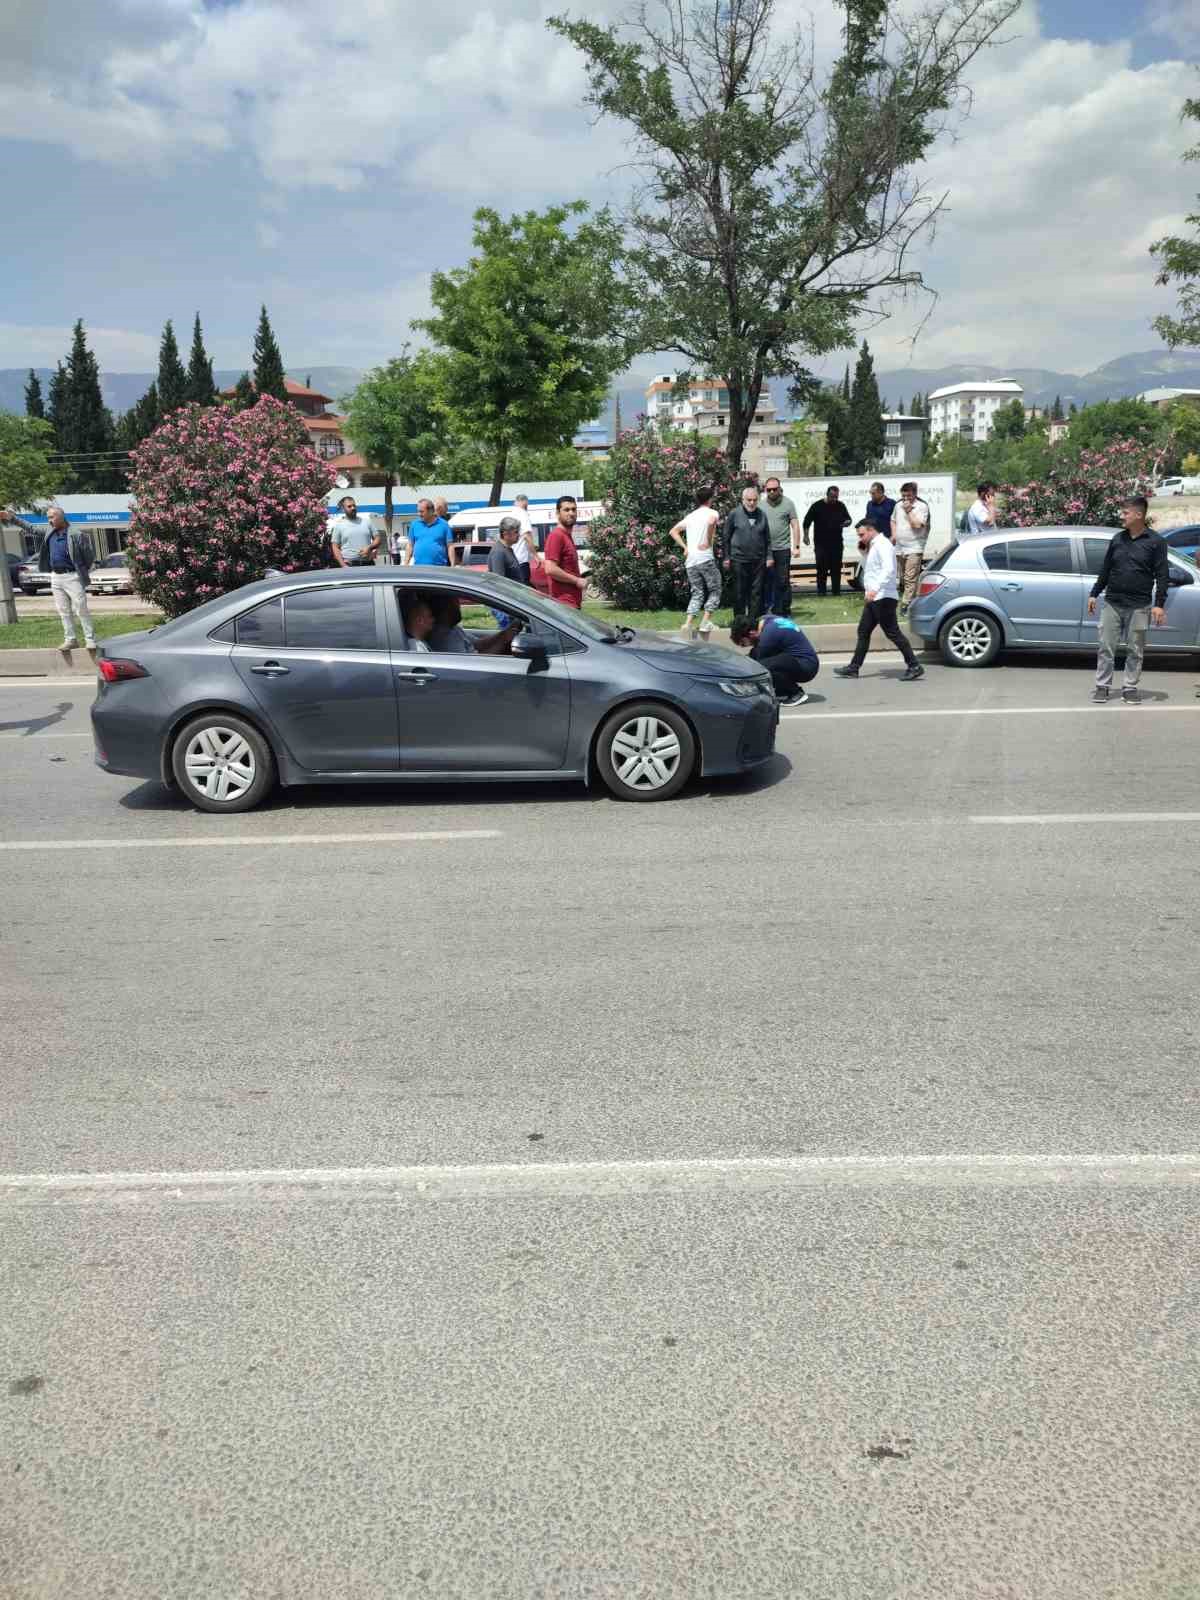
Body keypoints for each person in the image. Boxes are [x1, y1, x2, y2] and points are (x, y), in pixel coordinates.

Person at [1087, 496, 1169, 705]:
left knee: (1135, 650)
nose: (1121, 516)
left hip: (1140, 606)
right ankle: (1102, 687)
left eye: (1125, 513)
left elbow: (1162, 575)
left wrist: (1159, 604)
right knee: (1106, 647)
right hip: (1113, 603)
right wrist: (1094, 593)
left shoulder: (1156, 542)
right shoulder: (1117, 539)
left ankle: (1130, 688)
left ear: (1139, 515)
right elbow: (1106, 569)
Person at [833, 519, 925, 681]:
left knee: (893, 633)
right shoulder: (873, 546)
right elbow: (870, 567)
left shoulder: (883, 544)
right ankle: (854, 668)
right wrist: (864, 553)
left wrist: (875, 589)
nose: (860, 538)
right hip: (875, 597)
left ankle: (914, 665)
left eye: (862, 534)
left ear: (871, 530)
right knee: (863, 631)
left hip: (883, 597)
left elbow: (888, 569)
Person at [4, 505, 97, 652]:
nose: (49, 521)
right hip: (55, 576)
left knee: (81, 609)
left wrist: (81, 571)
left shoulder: (76, 534)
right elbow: (31, 528)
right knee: (63, 610)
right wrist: (13, 519)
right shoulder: (49, 531)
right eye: (48, 518)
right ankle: (70, 639)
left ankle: (90, 639)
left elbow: (89, 557)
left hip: (72, 576)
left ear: (61, 517)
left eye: (52, 517)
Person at [729, 613, 819, 706]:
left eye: (743, 643)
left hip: (807, 668)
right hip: (802, 661)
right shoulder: (766, 619)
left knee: (763, 665)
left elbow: (755, 668)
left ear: (752, 634)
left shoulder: (768, 637)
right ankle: (782, 690)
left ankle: (795, 693)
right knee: (765, 658)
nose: (744, 646)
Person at [668, 484, 721, 640]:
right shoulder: (712, 512)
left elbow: (673, 531)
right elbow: (711, 522)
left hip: (691, 561)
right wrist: (707, 541)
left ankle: (687, 624)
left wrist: (685, 547)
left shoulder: (691, 516)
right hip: (705, 558)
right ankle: (705, 622)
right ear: (710, 499)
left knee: (697, 592)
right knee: (715, 589)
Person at [720, 484, 773, 622]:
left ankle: (753, 621)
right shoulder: (734, 514)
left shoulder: (762, 515)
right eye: (749, 500)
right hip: (738, 560)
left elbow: (767, 538)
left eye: (755, 500)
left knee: (756, 593)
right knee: (739, 592)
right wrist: (726, 557)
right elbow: (725, 537)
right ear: (743, 500)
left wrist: (769, 556)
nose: (752, 503)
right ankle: (739, 621)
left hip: (758, 560)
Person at [429, 594, 521, 656]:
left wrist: (503, 634)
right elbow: (477, 664)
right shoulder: (444, 637)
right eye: (455, 603)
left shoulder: (453, 629)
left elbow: (478, 644)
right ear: (445, 608)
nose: (459, 606)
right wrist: (504, 639)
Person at [802, 486, 852, 597]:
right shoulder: (817, 506)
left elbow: (848, 519)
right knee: (821, 569)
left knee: (836, 569)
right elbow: (806, 521)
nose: (834, 499)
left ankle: (836, 592)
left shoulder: (840, 505)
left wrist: (847, 522)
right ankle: (821, 592)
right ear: (827, 495)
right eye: (832, 497)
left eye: (836, 497)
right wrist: (806, 536)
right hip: (821, 544)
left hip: (836, 544)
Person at [762, 477, 800, 615]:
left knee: (783, 580)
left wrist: (796, 546)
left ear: (779, 488)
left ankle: (784, 610)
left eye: (774, 489)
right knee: (767, 581)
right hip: (766, 550)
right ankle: (769, 608)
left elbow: (795, 525)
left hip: (783, 548)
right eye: (769, 489)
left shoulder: (788, 503)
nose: (771, 492)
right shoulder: (761, 505)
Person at [891, 481, 930, 615]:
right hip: (900, 547)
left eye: (908, 496)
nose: (905, 499)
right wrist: (894, 534)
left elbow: (917, 525)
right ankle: (913, 601)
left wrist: (909, 511)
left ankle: (906, 606)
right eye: (903, 496)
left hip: (915, 547)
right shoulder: (898, 505)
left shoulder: (922, 507)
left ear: (915, 494)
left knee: (910, 578)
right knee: (902, 578)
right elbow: (893, 520)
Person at [543, 495, 587, 608]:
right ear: (558, 513)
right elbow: (550, 569)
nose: (571, 513)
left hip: (572, 602)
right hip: (564, 603)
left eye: (573, 509)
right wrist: (577, 580)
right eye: (566, 510)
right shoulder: (556, 536)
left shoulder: (567, 536)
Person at [328, 496, 380, 568]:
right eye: (349, 506)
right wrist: (343, 565)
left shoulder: (367, 522)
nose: (353, 508)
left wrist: (369, 548)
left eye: (354, 505)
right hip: (350, 565)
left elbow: (377, 539)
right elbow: (335, 547)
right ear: (343, 509)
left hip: (368, 564)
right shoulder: (339, 525)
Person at [407, 498, 456, 567]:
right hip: (419, 568)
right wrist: (406, 563)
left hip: (439, 568)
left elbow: (450, 546)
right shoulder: (414, 525)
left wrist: (453, 565)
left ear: (430, 511)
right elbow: (410, 545)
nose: (419, 514)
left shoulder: (444, 525)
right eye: (418, 511)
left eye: (422, 512)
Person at [510, 493, 537, 583]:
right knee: (523, 588)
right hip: (521, 560)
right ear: (524, 502)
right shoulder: (522, 513)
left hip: (512, 560)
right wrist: (536, 556)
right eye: (527, 504)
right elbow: (527, 536)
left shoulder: (511, 515)